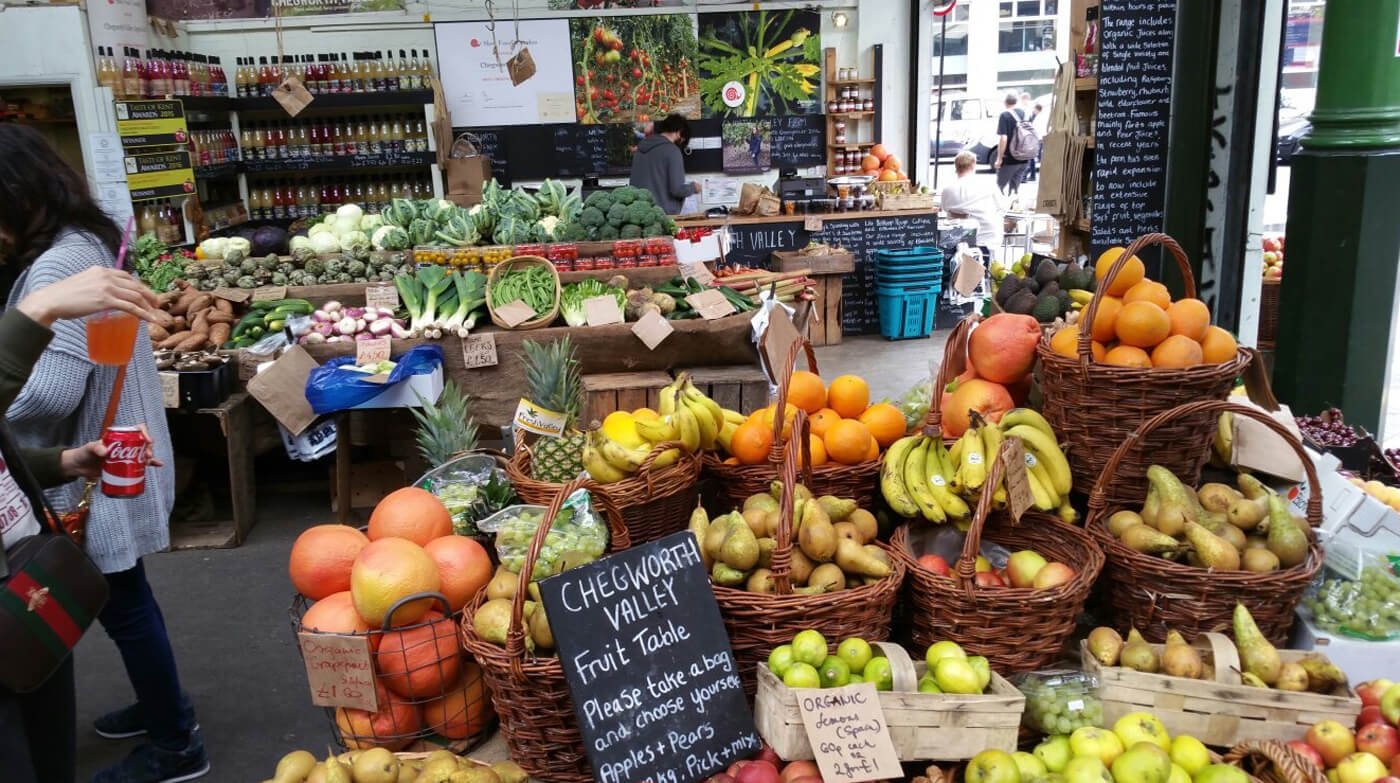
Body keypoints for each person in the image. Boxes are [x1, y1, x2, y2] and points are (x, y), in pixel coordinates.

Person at [0, 124, 204, 783]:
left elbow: (48, 392)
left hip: (100, 461)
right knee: (124, 598)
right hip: (112, 451)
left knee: (121, 602)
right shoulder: (88, 239)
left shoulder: (59, 263)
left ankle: (176, 739)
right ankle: (163, 708)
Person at [941, 150, 1006, 260]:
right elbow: (1002, 207)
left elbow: (946, 209)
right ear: (973, 164)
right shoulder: (987, 184)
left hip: (959, 241)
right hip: (987, 237)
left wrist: (965, 215)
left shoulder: (947, 190)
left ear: (956, 167)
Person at [630, 113, 699, 214]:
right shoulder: (672, 151)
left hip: (638, 216)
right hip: (661, 218)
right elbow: (677, 189)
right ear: (679, 133)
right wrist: (694, 187)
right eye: (683, 141)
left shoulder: (640, 150)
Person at [994, 92, 1030, 195]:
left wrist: (999, 158)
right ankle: (1013, 206)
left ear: (1005, 102)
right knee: (1014, 189)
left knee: (1000, 188)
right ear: (1016, 102)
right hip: (1024, 157)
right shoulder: (1024, 113)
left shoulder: (1004, 115)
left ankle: (1004, 208)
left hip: (1010, 158)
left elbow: (1003, 138)